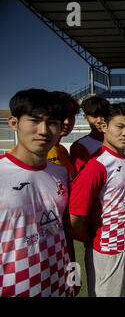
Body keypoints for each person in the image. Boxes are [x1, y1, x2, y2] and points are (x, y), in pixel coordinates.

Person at [1, 89, 75, 297]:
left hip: (59, 285)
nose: (43, 130)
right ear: (14, 123)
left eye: (52, 122)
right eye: (34, 120)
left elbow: (63, 234)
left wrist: (73, 275)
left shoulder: (61, 173)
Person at [68, 103, 125, 297]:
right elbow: (75, 216)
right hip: (108, 250)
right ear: (104, 126)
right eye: (119, 126)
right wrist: (94, 240)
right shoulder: (96, 165)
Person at [8, 91, 80, 180]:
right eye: (63, 117)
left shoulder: (62, 150)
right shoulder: (22, 156)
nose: (67, 122)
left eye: (71, 117)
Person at [70, 95, 110, 174]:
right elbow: (83, 178)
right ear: (85, 118)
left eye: (103, 115)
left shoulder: (120, 141)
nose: (99, 120)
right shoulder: (80, 146)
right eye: (94, 116)